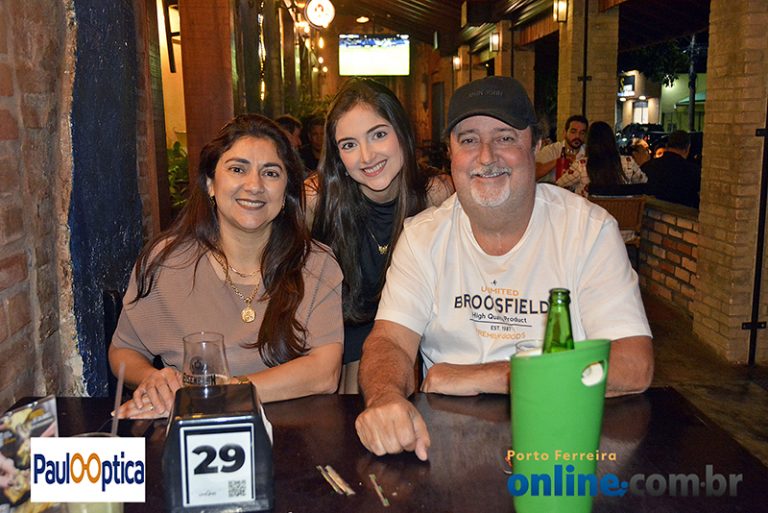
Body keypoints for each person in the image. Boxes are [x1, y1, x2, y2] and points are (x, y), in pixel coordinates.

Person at [354, 76, 653, 460]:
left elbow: (633, 364)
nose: (486, 156)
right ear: (451, 153)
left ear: (536, 146)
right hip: (448, 451)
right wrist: (384, 398)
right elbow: (390, 341)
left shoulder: (588, 231)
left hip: (562, 444)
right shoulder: (422, 237)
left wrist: (498, 376)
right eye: (468, 140)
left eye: (505, 138)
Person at [109, 114, 343, 418]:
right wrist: (153, 380)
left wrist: (222, 394)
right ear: (210, 183)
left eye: (271, 173)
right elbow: (123, 351)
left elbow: (325, 373)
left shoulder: (315, 264)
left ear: (286, 192)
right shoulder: (165, 262)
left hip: (291, 434)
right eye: (237, 169)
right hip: (190, 429)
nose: (254, 185)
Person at [307, 78, 454, 394]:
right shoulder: (316, 201)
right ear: (338, 157)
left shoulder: (436, 194)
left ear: (402, 133)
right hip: (338, 338)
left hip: (412, 337)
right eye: (349, 144)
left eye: (378, 135)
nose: (366, 156)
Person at [556, 121, 648, 197]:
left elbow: (559, 185)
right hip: (623, 213)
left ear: (590, 141)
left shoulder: (581, 164)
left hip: (591, 213)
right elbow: (643, 182)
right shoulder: (629, 162)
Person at [641, 130, 701, 208]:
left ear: (667, 145)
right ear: (687, 148)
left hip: (651, 210)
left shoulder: (648, 166)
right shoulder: (692, 171)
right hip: (683, 213)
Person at [535, 114, 588, 183]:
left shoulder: (588, 152)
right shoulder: (551, 150)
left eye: (582, 133)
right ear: (565, 133)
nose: (577, 136)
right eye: (573, 132)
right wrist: (558, 161)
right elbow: (534, 174)